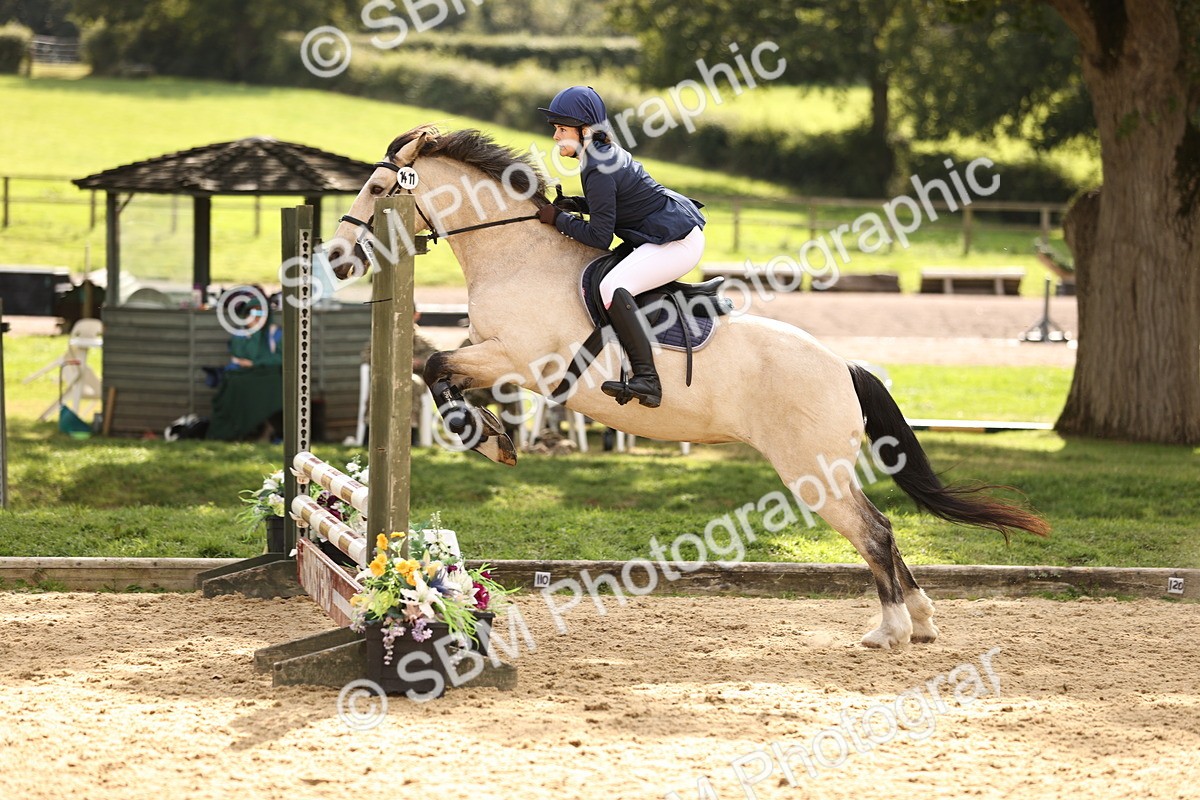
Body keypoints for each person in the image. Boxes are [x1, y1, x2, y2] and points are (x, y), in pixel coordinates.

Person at [537, 85, 706, 409]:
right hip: (664, 231)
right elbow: (615, 206)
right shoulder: (598, 155)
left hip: (677, 241)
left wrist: (557, 219)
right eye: (556, 129)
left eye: (561, 129)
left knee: (613, 286)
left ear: (585, 130)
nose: (556, 136)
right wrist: (578, 205)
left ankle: (648, 380)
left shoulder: (597, 165)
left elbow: (601, 237)